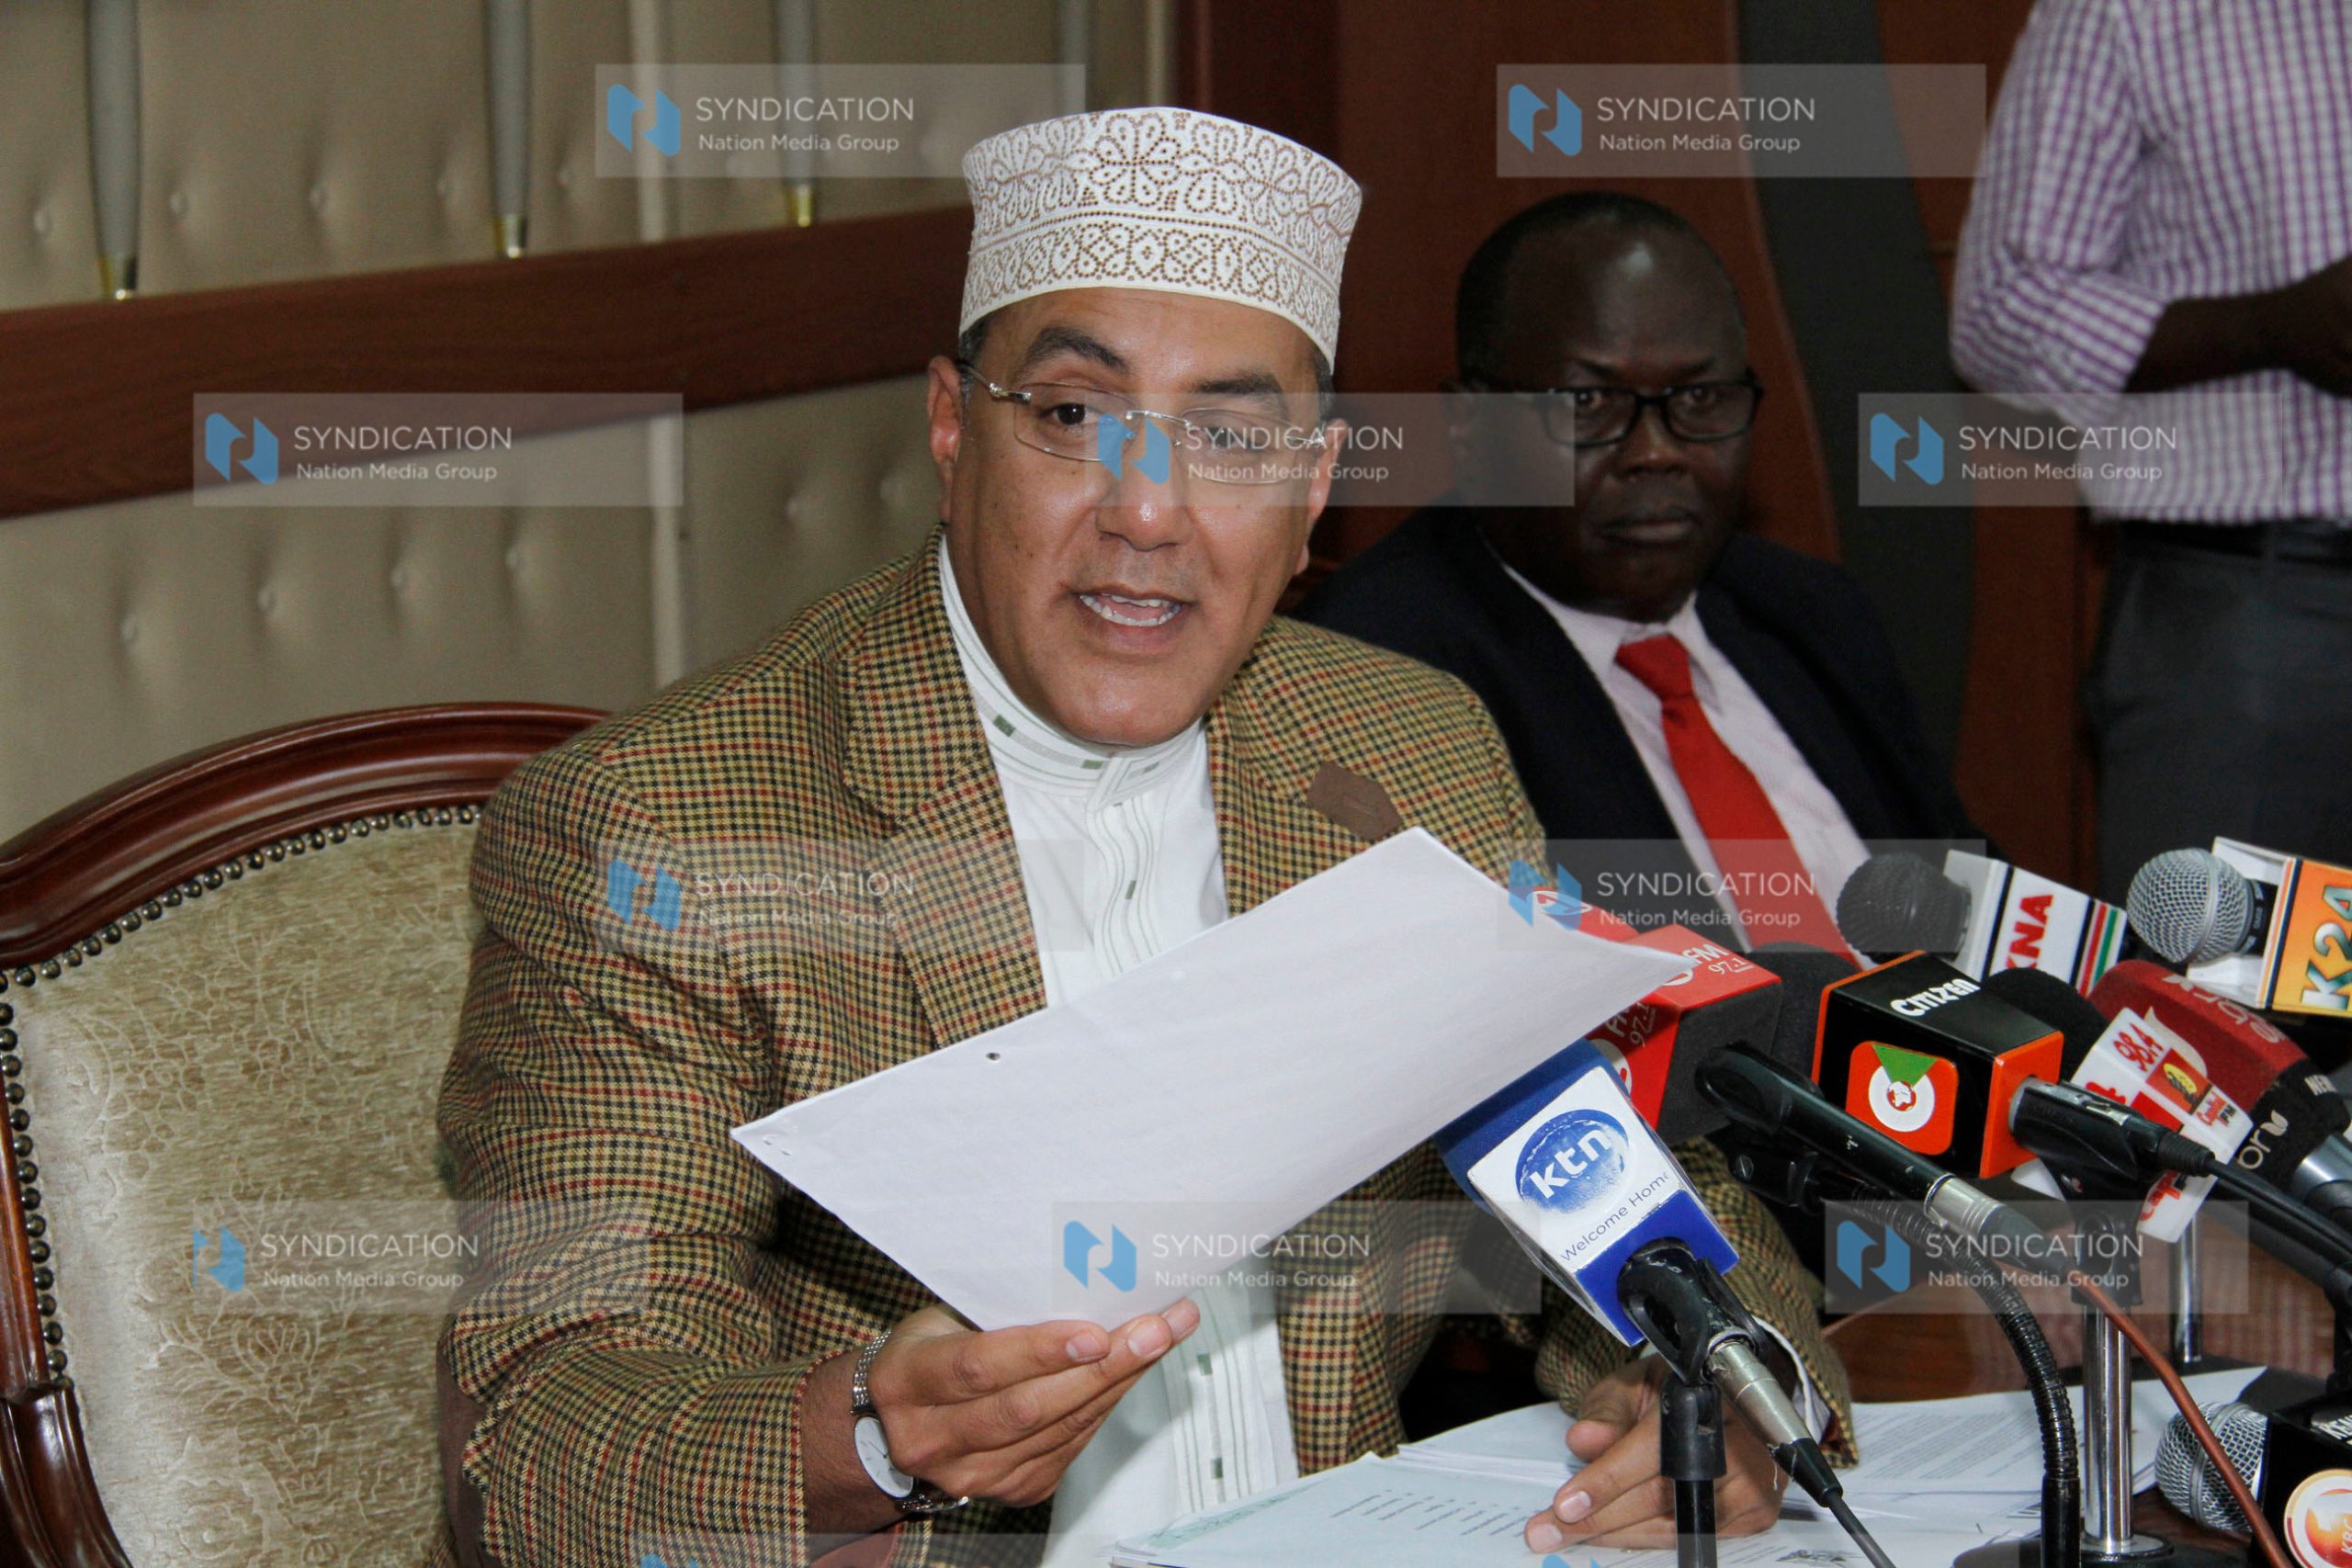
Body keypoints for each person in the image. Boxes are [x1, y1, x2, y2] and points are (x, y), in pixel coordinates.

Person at [431, 114, 1849, 1568]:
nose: (1149, 511)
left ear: (1313, 487)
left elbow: (1638, 1184)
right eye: (1068, 416)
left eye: (1232, 436)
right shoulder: (666, 823)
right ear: (947, 426)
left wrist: (1730, 1390)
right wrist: (866, 1433)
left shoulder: (1410, 750)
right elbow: (538, 1435)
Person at [1297, 192, 1975, 951]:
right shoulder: (1378, 676)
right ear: (1470, 424)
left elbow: (1972, 907)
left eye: (1699, 397)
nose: (1657, 450)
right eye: (1587, 402)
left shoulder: (1810, 609)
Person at [1949, 0, 2352, 899]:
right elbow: (2002, 310)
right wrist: (2270, 329)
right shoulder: (2129, 13)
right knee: (2217, 1022)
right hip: (2253, 623)